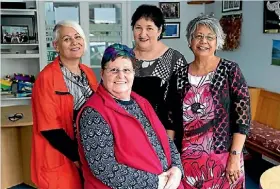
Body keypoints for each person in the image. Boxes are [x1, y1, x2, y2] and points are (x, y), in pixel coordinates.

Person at [76, 43, 184, 189]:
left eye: (126, 70)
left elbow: (164, 139)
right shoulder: (93, 113)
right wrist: (155, 183)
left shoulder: (141, 102)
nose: (121, 75)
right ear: (102, 73)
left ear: (133, 73)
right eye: (114, 70)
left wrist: (177, 169)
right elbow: (104, 168)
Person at [166, 15, 251, 188]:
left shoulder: (230, 71)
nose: (203, 41)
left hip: (224, 159)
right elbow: (170, 120)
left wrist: (234, 157)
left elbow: (242, 119)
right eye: (198, 36)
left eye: (210, 37)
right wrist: (168, 157)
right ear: (190, 41)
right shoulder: (179, 75)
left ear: (217, 41)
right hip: (187, 160)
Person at [31, 20, 98, 189]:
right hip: (63, 155)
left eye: (78, 37)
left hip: (87, 152)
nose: (74, 42)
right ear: (56, 46)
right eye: (67, 39)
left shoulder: (88, 73)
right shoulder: (46, 78)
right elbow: (50, 129)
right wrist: (78, 158)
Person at [131, 4, 188, 138]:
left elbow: (182, 103)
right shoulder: (124, 58)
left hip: (164, 134)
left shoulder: (175, 59)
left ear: (159, 30)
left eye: (149, 28)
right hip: (129, 133)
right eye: (138, 28)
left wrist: (170, 140)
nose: (142, 34)